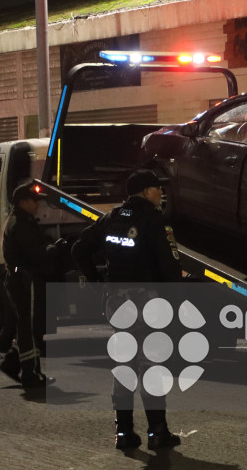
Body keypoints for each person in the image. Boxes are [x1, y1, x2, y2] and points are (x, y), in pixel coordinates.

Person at [72, 169, 182, 451]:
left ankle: (124, 433)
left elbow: (79, 249)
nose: (161, 193)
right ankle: (157, 432)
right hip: (148, 301)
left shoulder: (111, 219)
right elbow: (169, 267)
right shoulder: (154, 220)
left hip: (117, 301)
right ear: (146, 192)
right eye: (158, 188)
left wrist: (98, 283)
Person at [0, 181, 58, 390]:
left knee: (30, 325)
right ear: (23, 202)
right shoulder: (20, 223)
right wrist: (53, 250)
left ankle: (21, 367)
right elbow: (35, 253)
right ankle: (30, 375)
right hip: (24, 279)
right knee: (30, 327)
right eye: (35, 201)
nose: (38, 205)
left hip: (21, 279)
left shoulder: (21, 220)